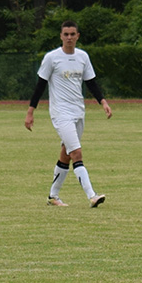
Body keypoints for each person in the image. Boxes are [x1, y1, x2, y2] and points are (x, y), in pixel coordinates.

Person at [25, 20, 112, 207]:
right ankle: (92, 195)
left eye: (73, 34)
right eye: (66, 34)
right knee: (76, 153)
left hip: (78, 112)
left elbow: (91, 83)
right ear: (61, 36)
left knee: (66, 153)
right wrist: (30, 112)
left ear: (78, 36)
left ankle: (53, 197)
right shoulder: (51, 58)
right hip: (60, 113)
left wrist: (103, 102)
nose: (69, 37)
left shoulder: (83, 57)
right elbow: (40, 86)